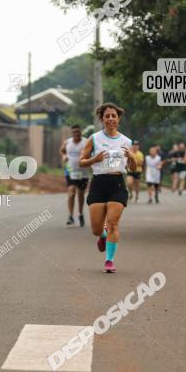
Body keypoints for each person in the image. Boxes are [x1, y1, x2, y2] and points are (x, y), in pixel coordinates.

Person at [79, 102, 137, 274]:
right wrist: (93, 160)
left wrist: (132, 157)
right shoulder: (94, 139)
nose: (111, 119)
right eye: (107, 116)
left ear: (118, 119)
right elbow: (81, 161)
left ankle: (109, 260)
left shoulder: (126, 141)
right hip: (98, 184)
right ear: (102, 119)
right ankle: (102, 236)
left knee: (112, 224)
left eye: (114, 116)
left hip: (118, 184)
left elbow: (133, 168)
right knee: (96, 229)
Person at [60, 124, 87, 226]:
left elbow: (91, 153)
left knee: (80, 194)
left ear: (81, 132)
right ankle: (70, 216)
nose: (76, 134)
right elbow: (62, 150)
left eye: (78, 132)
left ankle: (80, 214)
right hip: (70, 171)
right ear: (72, 133)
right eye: (74, 132)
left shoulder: (86, 142)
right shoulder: (67, 142)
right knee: (71, 192)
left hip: (83, 173)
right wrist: (64, 156)